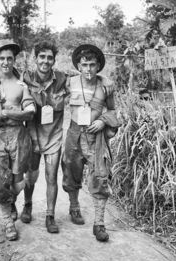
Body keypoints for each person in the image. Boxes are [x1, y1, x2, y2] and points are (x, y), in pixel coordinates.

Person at [0, 39, 36, 241]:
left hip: (18, 136)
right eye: (1, 58)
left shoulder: (21, 84)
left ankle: (11, 202)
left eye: (9, 58)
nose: (5, 62)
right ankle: (8, 223)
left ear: (14, 60)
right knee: (1, 183)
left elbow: (30, 111)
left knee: (18, 182)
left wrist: (9, 114)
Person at [61, 44, 120, 242]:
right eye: (84, 65)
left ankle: (99, 224)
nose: (88, 69)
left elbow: (112, 111)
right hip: (74, 133)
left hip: (96, 137)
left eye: (92, 65)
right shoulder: (69, 83)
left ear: (98, 66)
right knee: (70, 170)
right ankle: (74, 207)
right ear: (78, 66)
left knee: (100, 176)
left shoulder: (106, 86)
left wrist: (102, 120)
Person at [19, 40, 68, 233]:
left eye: (49, 57)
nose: (45, 61)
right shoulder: (25, 78)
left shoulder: (63, 79)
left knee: (51, 177)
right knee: (30, 176)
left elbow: (85, 85)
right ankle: (27, 204)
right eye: (42, 57)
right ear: (35, 58)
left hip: (53, 137)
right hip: (31, 136)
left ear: (54, 60)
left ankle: (50, 216)